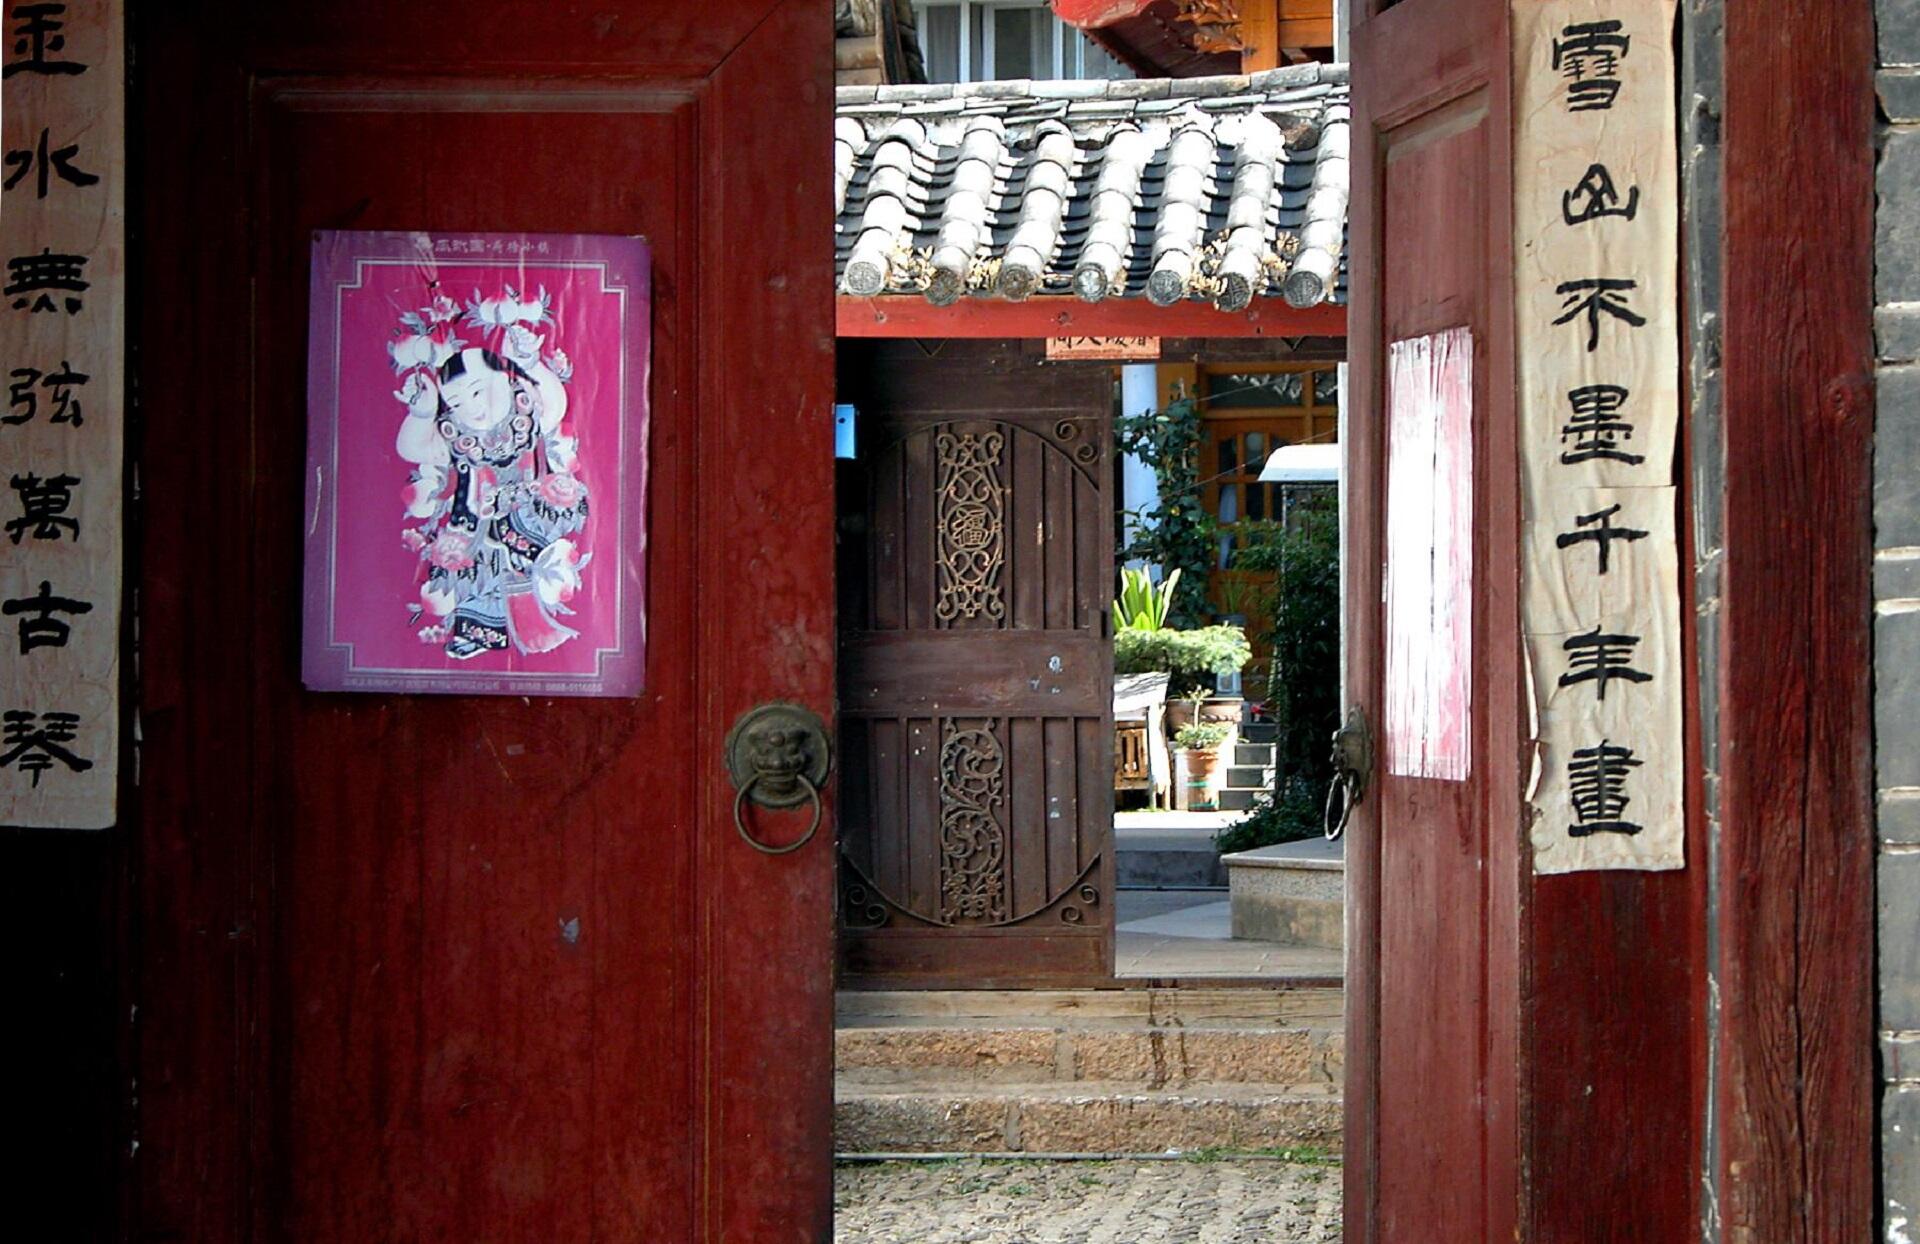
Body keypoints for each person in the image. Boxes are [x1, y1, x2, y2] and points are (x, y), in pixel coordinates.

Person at [391, 292, 589, 660]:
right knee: (478, 579)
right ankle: (480, 633)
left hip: (525, 517)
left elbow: (556, 403)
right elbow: (412, 450)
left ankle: (539, 629)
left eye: (479, 392)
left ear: (505, 380)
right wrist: (421, 414)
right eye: (457, 403)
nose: (473, 407)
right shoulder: (456, 436)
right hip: (476, 527)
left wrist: (529, 361)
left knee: (533, 572)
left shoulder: (527, 416)